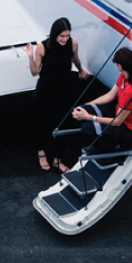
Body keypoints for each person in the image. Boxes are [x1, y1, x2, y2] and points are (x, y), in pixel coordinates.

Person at [25, 17, 89, 172]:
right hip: (45, 88)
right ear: (55, 34)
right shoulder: (43, 47)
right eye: (62, 36)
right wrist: (30, 56)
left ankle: (58, 159)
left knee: (64, 122)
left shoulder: (72, 44)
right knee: (39, 120)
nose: (65, 39)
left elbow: (75, 59)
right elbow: (34, 73)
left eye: (67, 36)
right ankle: (41, 151)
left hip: (63, 88)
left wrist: (81, 70)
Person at [71, 48, 132, 158]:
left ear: (120, 66)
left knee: (87, 128)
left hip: (129, 129)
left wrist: (89, 117)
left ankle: (111, 148)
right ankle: (105, 140)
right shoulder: (130, 74)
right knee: (85, 109)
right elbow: (109, 96)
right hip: (120, 114)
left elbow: (117, 122)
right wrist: (85, 106)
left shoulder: (130, 91)